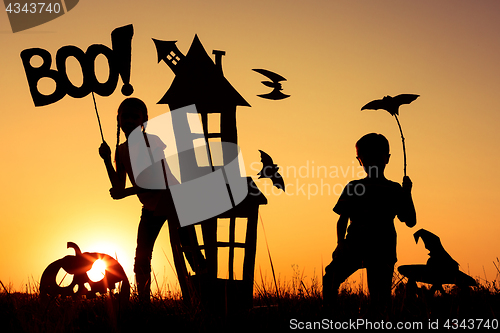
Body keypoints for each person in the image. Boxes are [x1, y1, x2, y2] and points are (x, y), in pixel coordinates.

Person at [98, 97, 203, 301]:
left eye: (134, 117)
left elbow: (159, 182)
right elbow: (119, 186)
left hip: (175, 202)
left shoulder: (151, 142)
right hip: (151, 207)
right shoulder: (121, 150)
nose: (129, 121)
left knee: (190, 253)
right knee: (142, 257)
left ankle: (207, 295)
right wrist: (106, 160)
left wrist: (126, 192)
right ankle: (144, 303)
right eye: (124, 116)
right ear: (118, 119)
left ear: (144, 120)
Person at [323, 133, 416, 317]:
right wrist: (340, 243)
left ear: (386, 159)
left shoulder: (392, 189)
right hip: (366, 245)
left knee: (378, 296)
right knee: (334, 278)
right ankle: (330, 316)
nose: (368, 161)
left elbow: (410, 221)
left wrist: (407, 193)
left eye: (373, 157)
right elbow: (342, 218)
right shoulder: (380, 188)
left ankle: (330, 317)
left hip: (375, 247)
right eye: (365, 157)